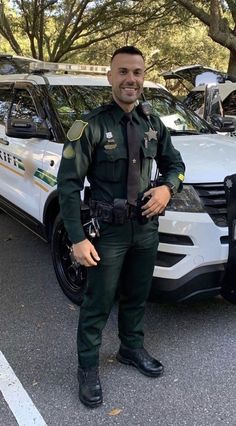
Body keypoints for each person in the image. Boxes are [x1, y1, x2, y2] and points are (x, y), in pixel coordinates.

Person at [57, 46, 185, 408]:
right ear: (110, 77)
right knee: (98, 302)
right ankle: (87, 368)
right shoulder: (90, 125)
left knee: (136, 295)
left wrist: (167, 187)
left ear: (144, 77)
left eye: (138, 72)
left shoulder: (153, 123)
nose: (131, 79)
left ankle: (131, 348)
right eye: (124, 72)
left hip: (145, 229)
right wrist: (77, 238)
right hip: (107, 232)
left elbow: (176, 165)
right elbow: (67, 185)